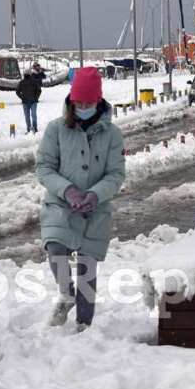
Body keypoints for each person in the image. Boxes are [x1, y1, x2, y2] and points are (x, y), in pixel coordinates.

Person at [35, 67, 125, 330]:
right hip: (60, 203)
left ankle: (84, 325)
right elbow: (44, 168)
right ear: (71, 102)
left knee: (88, 268)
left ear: (98, 102)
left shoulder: (112, 135)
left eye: (88, 103)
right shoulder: (56, 130)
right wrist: (67, 191)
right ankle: (66, 293)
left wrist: (96, 194)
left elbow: (116, 173)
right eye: (78, 103)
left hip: (96, 209)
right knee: (54, 247)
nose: (83, 107)